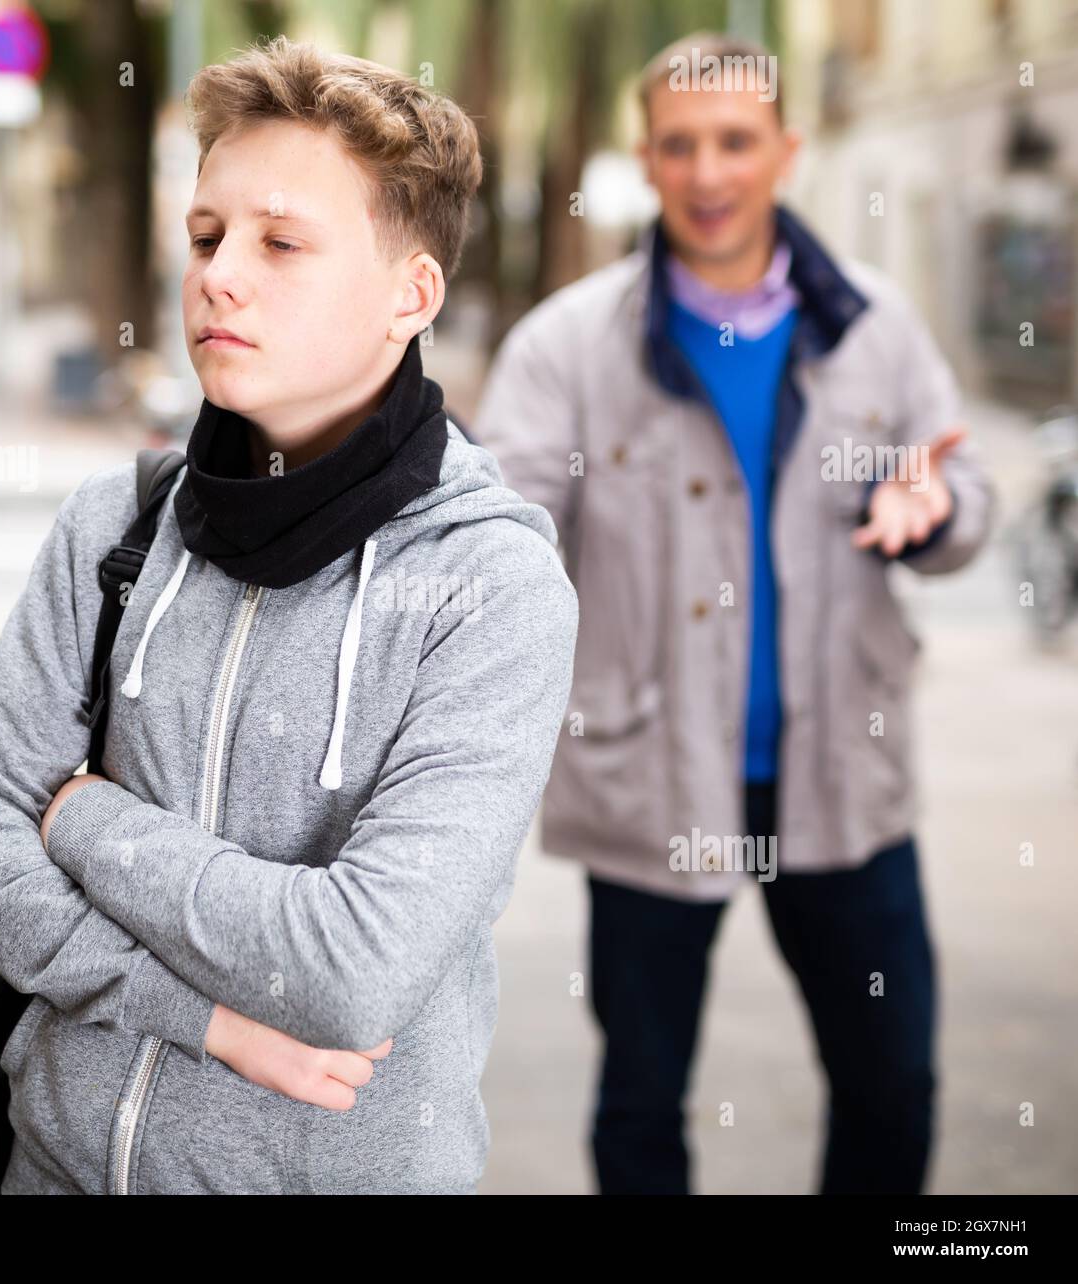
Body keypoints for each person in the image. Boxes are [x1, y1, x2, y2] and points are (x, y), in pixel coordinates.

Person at [0, 36, 578, 1195]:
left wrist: (80, 823)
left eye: (281, 243)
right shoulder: (118, 524)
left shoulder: (489, 586)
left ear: (410, 295)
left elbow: (352, 966)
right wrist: (202, 1016)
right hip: (43, 1170)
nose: (220, 275)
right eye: (207, 236)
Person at [472, 30, 995, 1195]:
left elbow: (967, 496)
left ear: (784, 151)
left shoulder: (875, 325)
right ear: (646, 158)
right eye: (679, 145)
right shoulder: (567, 344)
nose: (708, 173)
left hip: (842, 778)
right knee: (642, 1098)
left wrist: (939, 501)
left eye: (734, 142)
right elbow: (499, 538)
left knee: (891, 1084)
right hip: (650, 775)